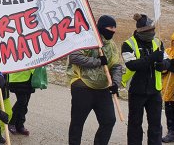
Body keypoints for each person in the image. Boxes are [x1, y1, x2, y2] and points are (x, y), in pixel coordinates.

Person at [67, 15, 122, 145]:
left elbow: (116, 66)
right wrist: (97, 61)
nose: (113, 30)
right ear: (102, 27)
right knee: (77, 122)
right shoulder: (87, 39)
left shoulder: (112, 45)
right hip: (82, 86)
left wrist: (115, 83)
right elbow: (74, 56)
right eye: (110, 27)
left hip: (103, 88)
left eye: (115, 28)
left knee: (109, 120)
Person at [122, 13, 165, 145]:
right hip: (136, 90)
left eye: (153, 30)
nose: (152, 33)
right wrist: (153, 57)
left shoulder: (158, 42)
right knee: (135, 124)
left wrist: (164, 65)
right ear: (142, 31)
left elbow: (167, 60)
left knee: (156, 125)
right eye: (149, 31)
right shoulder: (128, 44)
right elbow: (132, 64)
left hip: (155, 91)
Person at [161, 29, 174, 143]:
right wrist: (168, 66)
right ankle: (171, 133)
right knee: (169, 113)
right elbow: (161, 69)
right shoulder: (167, 52)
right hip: (168, 89)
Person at [8, 69, 35, 136]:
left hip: (30, 78)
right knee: (22, 101)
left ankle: (20, 125)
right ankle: (11, 122)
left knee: (25, 104)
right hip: (18, 78)